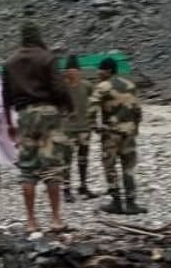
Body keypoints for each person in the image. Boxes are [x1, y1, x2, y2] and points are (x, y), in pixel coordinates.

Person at [2, 23, 73, 233]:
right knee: (52, 166)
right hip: (49, 113)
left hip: (24, 115)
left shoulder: (10, 62)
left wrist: (8, 123)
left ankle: (31, 221)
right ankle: (56, 219)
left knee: (27, 168)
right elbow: (59, 88)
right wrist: (69, 107)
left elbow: (6, 97)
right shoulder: (47, 57)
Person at [89, 57, 145, 215]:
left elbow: (91, 107)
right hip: (129, 132)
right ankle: (131, 202)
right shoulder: (130, 85)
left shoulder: (103, 86)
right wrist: (136, 128)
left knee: (110, 167)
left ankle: (116, 202)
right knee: (128, 168)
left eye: (100, 69)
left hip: (111, 133)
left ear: (108, 70)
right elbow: (137, 109)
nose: (98, 73)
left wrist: (94, 126)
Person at [62, 56, 97, 202]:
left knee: (76, 159)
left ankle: (75, 187)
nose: (73, 73)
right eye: (71, 71)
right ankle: (73, 188)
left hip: (77, 128)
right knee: (74, 160)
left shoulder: (84, 86)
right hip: (74, 128)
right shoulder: (64, 87)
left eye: (75, 70)